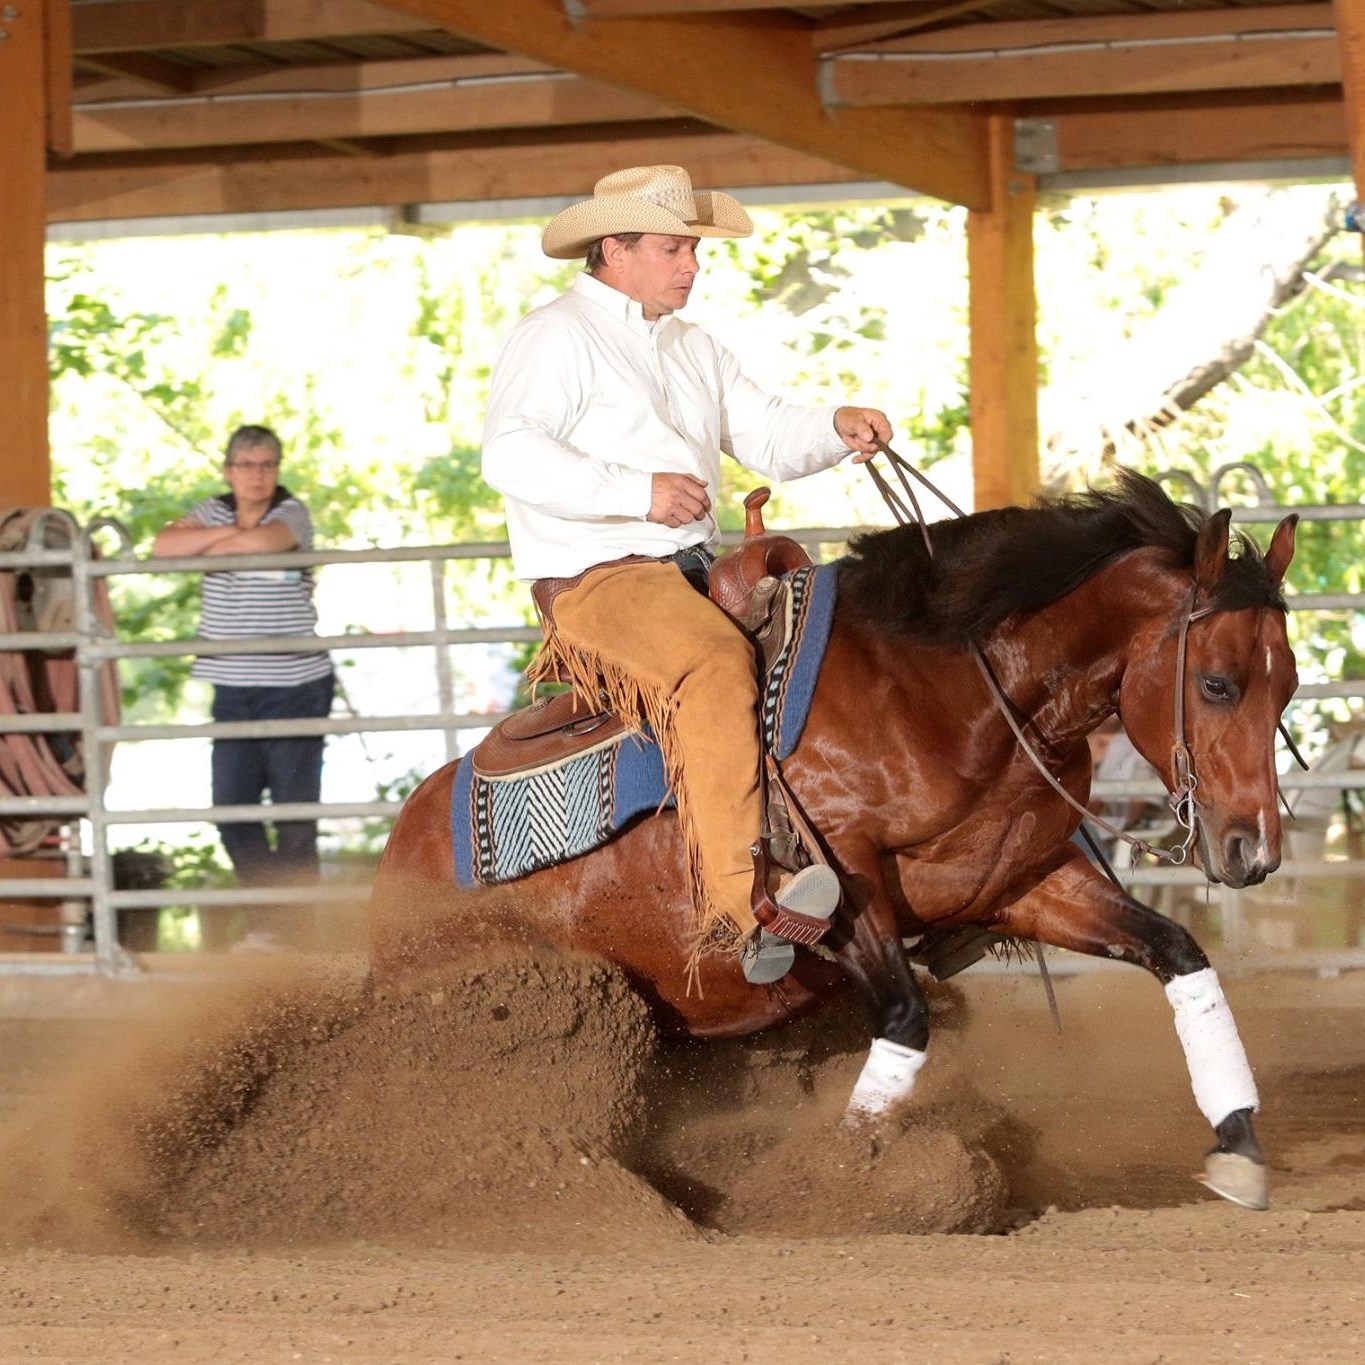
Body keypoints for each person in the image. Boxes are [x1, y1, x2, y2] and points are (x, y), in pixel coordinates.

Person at [482, 164, 892, 984]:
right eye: (673, 249)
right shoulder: (553, 334)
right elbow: (510, 452)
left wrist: (835, 426)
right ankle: (746, 911)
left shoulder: (692, 346)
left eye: (692, 250)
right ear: (614, 249)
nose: (690, 266)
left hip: (693, 568)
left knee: (855, 642)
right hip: (599, 580)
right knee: (711, 666)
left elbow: (769, 432)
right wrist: (635, 491)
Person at [152, 425, 335, 944]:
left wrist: (208, 548)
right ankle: (271, 921)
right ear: (229, 470)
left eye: (266, 466)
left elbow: (262, 543)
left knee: (295, 818)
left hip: (295, 685)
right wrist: (222, 542)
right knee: (231, 811)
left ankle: (298, 936)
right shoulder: (212, 510)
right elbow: (164, 547)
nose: (257, 476)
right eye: (247, 466)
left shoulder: (291, 512)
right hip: (232, 687)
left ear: (277, 470)